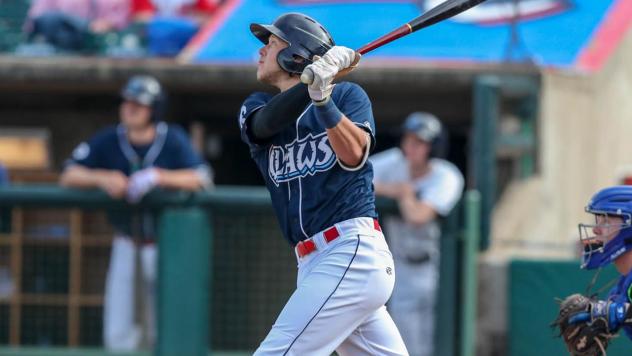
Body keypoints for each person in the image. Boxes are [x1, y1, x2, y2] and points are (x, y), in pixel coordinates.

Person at [238, 12, 408, 356]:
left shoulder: (346, 96)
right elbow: (263, 125)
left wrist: (324, 100)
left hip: (349, 251)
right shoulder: (255, 106)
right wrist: (312, 84)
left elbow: (355, 154)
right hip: (314, 264)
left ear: (295, 54)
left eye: (271, 43)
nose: (261, 51)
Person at [59, 75, 213, 351]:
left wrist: (159, 176)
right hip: (126, 242)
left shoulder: (172, 138)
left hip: (165, 247)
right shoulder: (109, 138)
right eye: (127, 102)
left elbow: (201, 177)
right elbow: (69, 174)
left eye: (138, 104)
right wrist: (101, 177)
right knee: (119, 329)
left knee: (163, 324)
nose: (130, 108)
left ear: (153, 109)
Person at [369, 112, 464, 356]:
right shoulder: (393, 163)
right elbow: (353, 176)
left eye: (419, 142)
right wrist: (396, 189)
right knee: (404, 341)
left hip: (437, 268)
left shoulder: (446, 174)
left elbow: (418, 216)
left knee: (436, 339)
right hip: (399, 265)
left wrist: (406, 195)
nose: (410, 147)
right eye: (408, 140)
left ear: (433, 147)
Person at [572, 186, 632, 339]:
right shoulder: (624, 282)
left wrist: (619, 313)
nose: (596, 230)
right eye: (598, 220)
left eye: (606, 221)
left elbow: (619, 311)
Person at [23, 0, 132, 52]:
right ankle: (83, 25)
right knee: (55, 18)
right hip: (58, 40)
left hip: (101, 42)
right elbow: (36, 18)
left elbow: (121, 18)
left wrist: (107, 23)